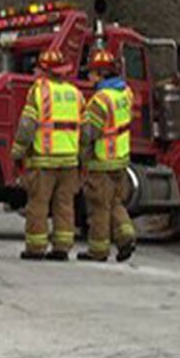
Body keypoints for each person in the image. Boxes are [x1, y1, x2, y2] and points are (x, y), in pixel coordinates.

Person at [10, 49, 83, 261]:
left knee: (38, 205)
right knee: (64, 205)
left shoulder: (39, 92)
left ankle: (36, 247)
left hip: (44, 160)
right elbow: (85, 128)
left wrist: (18, 151)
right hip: (69, 161)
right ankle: (62, 248)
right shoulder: (75, 93)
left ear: (44, 70)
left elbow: (27, 126)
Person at [78, 49, 137, 262]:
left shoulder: (100, 100)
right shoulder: (126, 93)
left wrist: (80, 153)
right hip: (120, 160)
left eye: (92, 73)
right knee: (115, 203)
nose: (89, 77)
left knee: (99, 207)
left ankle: (98, 250)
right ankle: (126, 236)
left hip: (101, 162)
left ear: (101, 74)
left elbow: (89, 134)